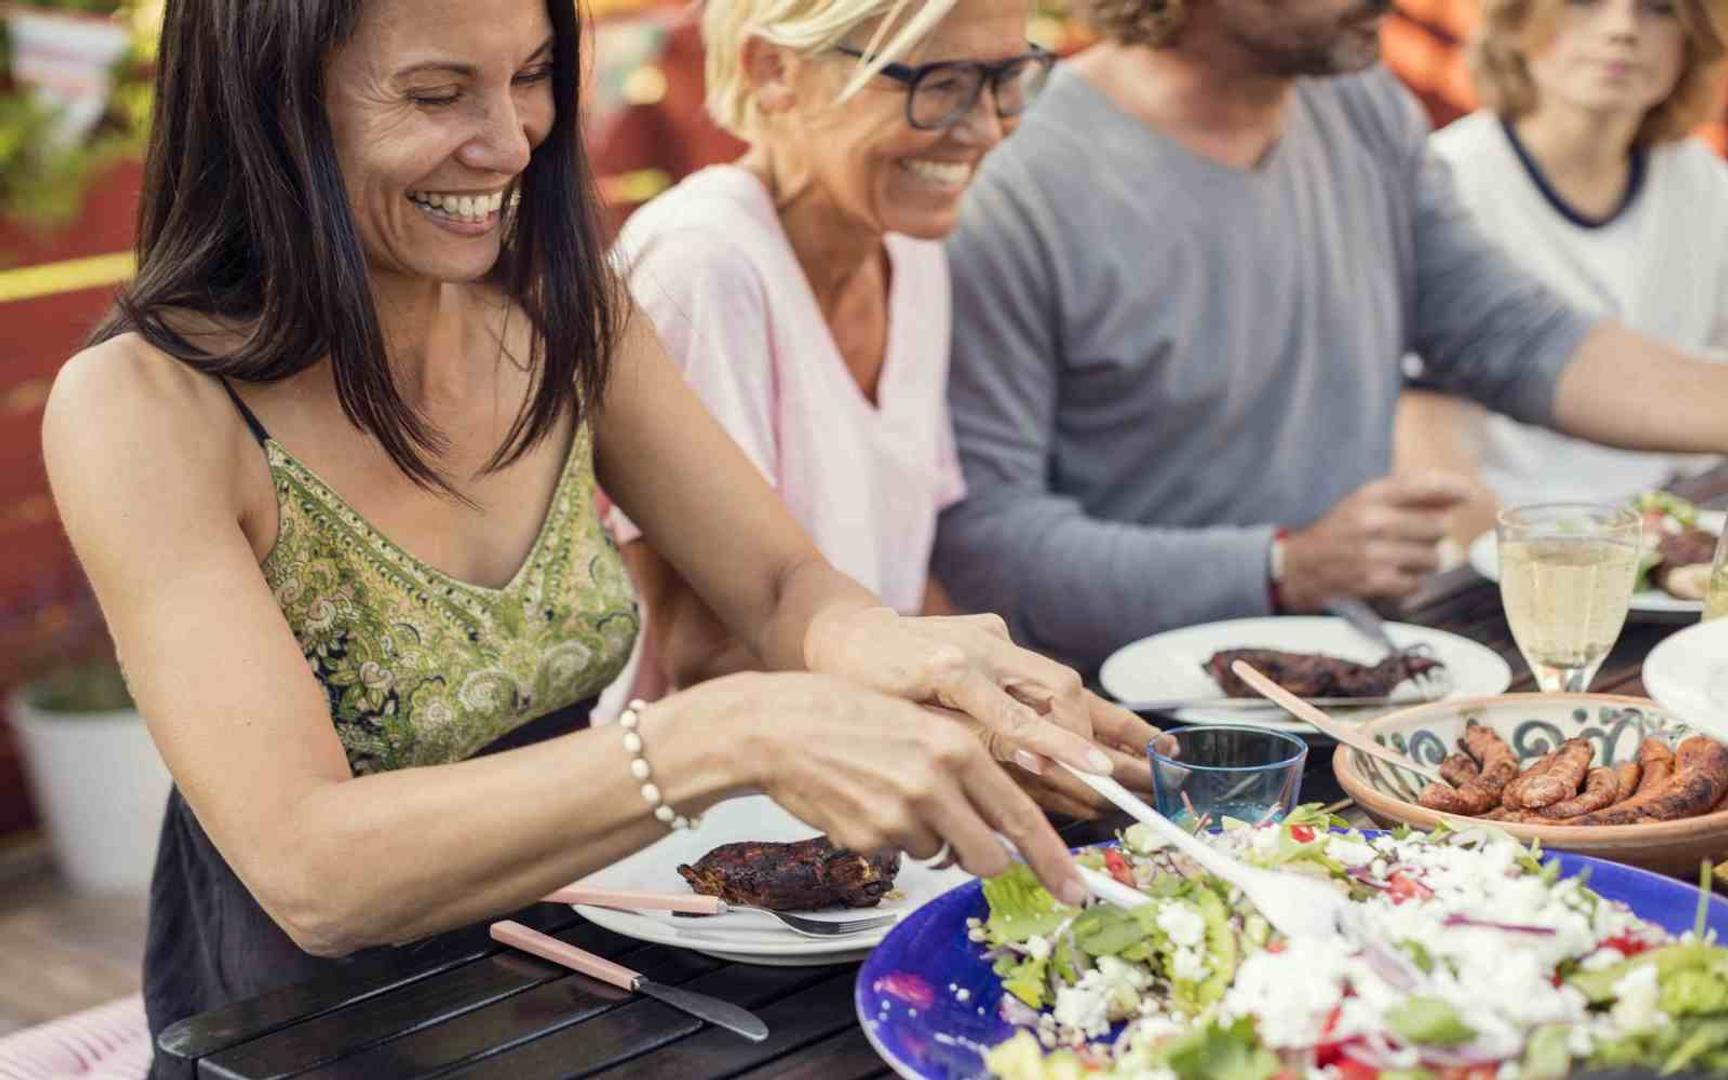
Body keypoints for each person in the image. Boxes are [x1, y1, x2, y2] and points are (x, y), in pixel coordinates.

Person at [41, 0, 1132, 1048]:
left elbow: (780, 588)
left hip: (569, 970)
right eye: (435, 94)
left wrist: (944, 669)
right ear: (266, 103)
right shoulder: (145, 408)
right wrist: (724, 733)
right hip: (296, 1027)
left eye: (530, 77)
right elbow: (312, 873)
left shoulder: (565, 313)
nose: (510, 142)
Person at [931, 0, 1728, 673]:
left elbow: (1510, 335)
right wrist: (1284, 564)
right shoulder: (1014, 176)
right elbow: (986, 547)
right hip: (1133, 735)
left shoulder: (1360, 106)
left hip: (1366, 676)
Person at [608, 0, 1158, 815]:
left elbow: (906, 580)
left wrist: (1026, 709)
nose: (985, 129)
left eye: (1009, 79)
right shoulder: (704, 264)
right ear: (774, 71)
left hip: (873, 797)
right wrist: (984, 741)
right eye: (937, 83)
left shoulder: (907, 242)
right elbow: (704, 653)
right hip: (711, 834)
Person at [1396, 0, 1728, 544]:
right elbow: (1423, 440)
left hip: (1674, 530)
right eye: (1584, 2)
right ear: (1517, 23)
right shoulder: (1445, 182)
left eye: (1658, 9)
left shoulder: (1704, 184)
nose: (1621, 29)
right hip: (1513, 550)